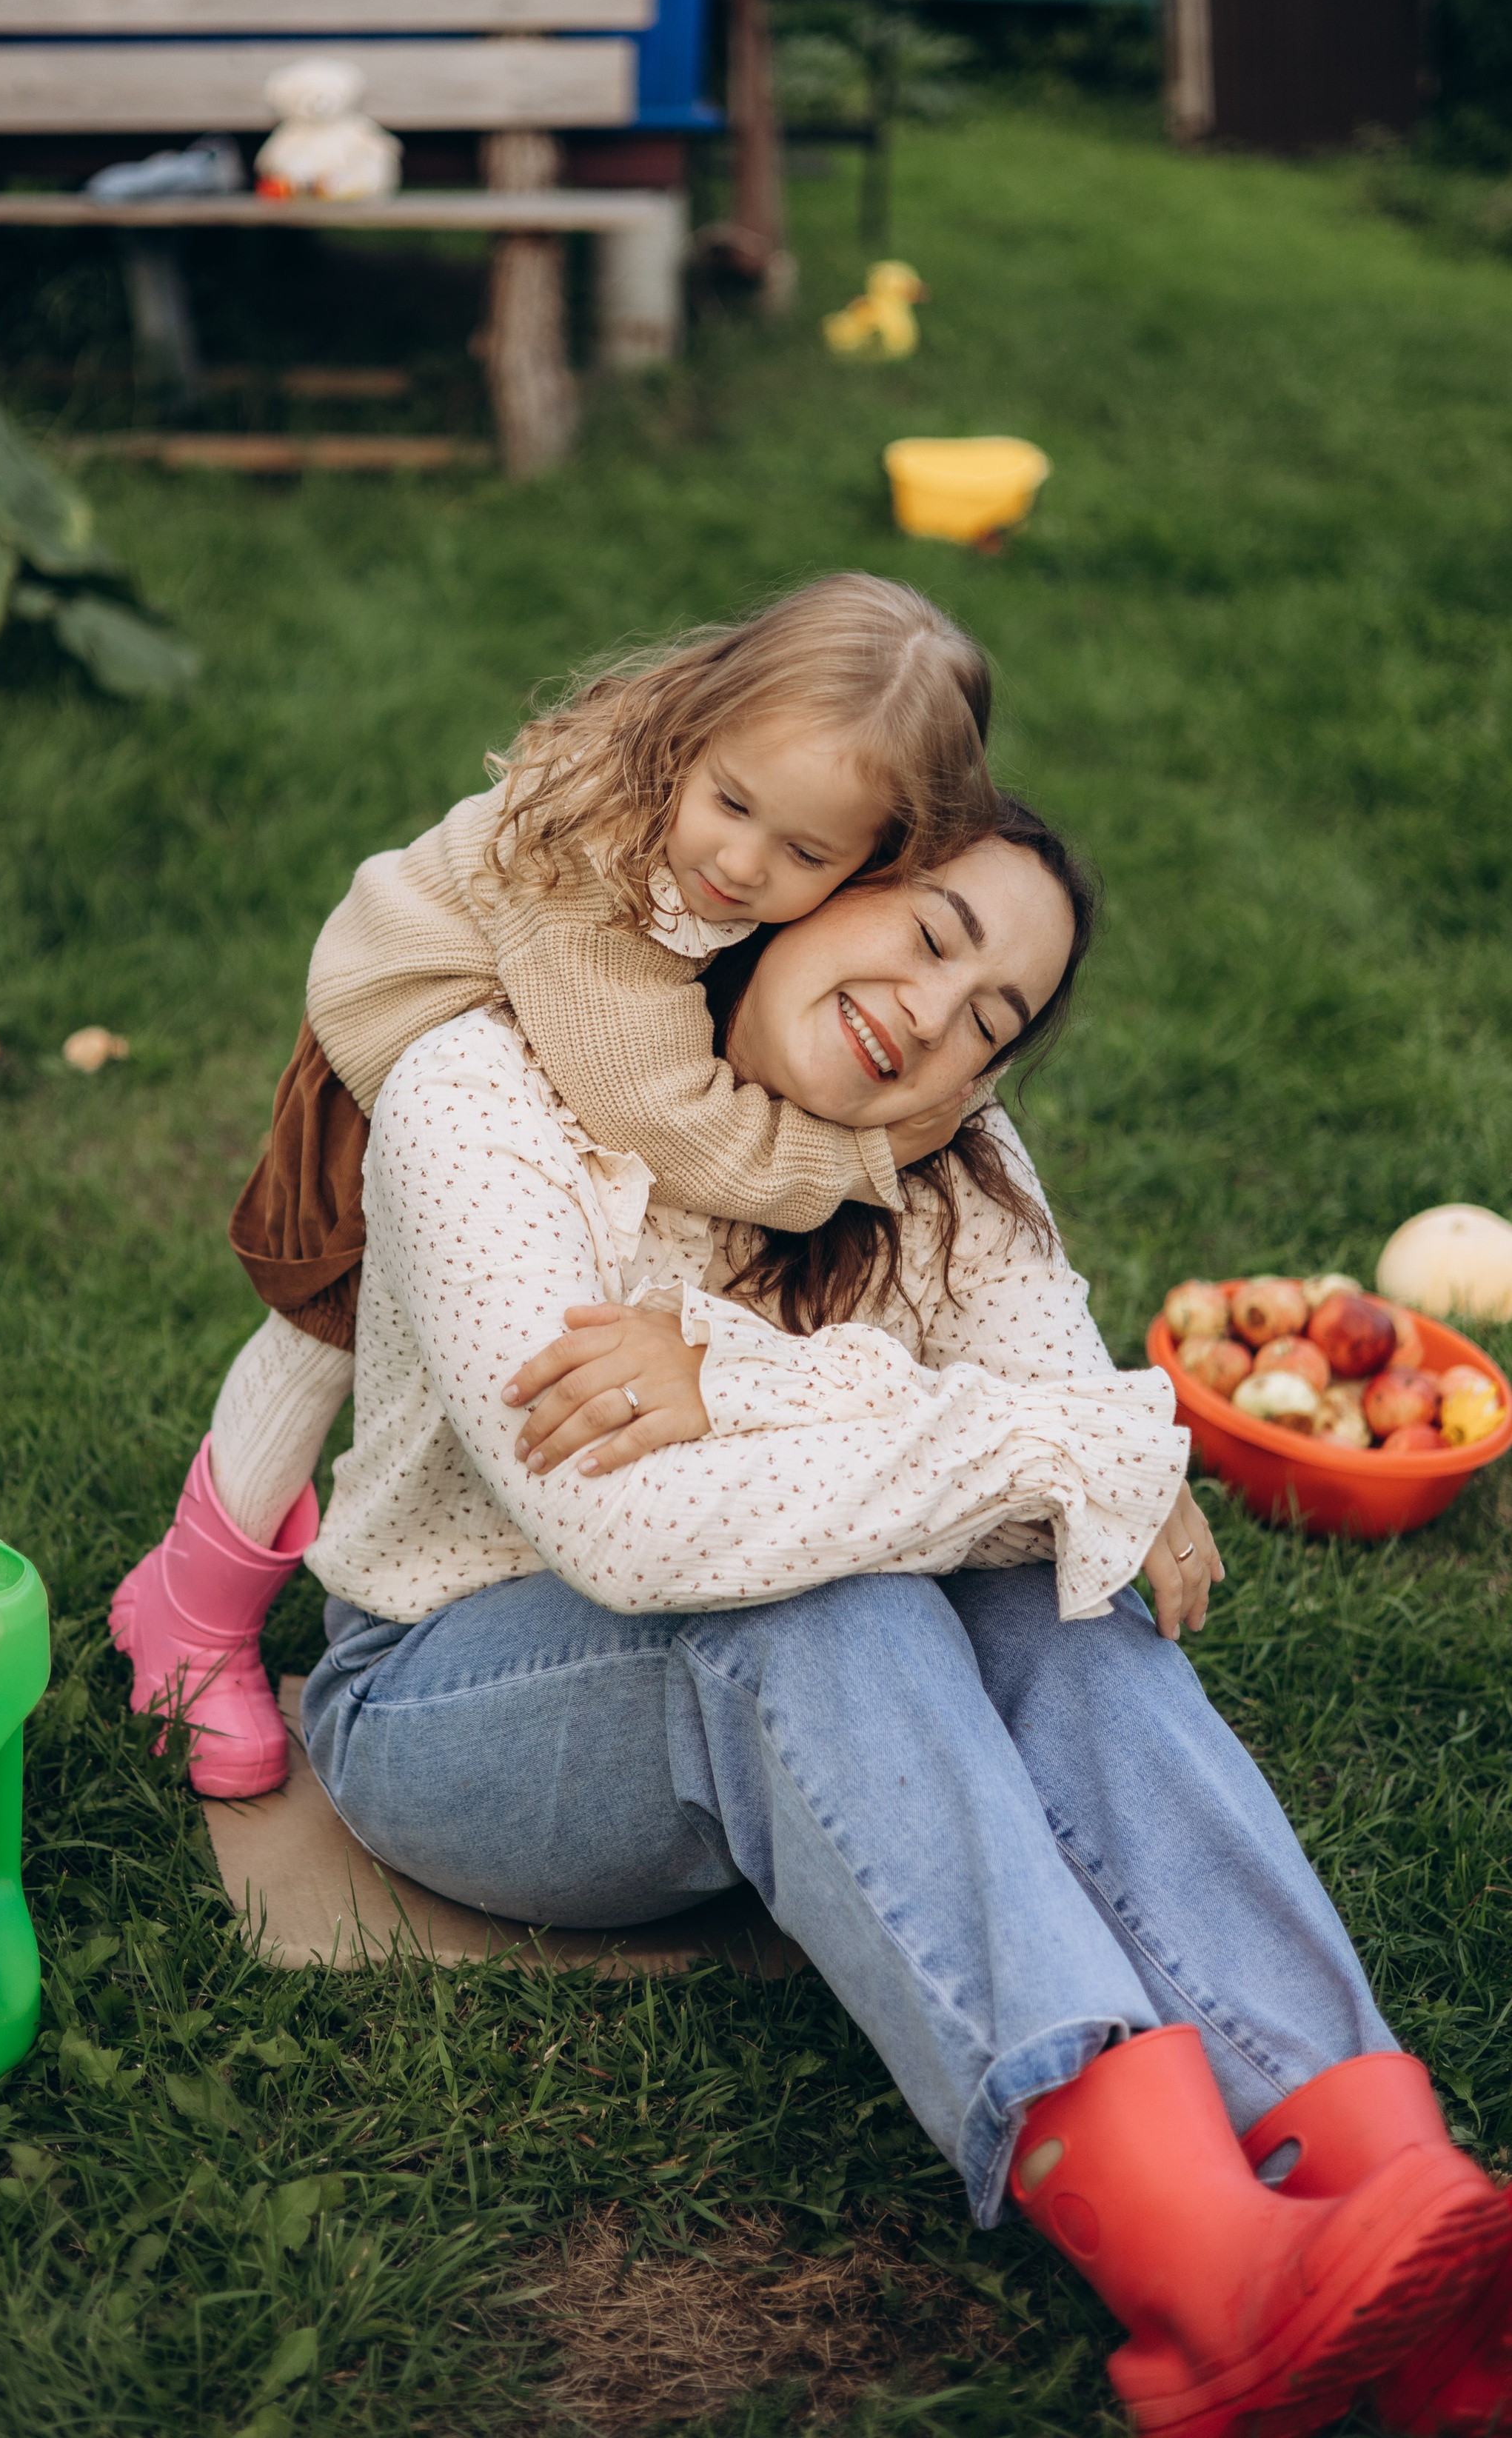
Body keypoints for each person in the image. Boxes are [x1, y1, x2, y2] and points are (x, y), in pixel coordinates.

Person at [291, 808, 1509, 2438]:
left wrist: (747, 1384)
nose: (933, 1014)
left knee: (1047, 1596)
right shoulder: (486, 1089)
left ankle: (1372, 2173)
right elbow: (633, 1533)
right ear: (805, 892)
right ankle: (1203, 2277)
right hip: (447, 1694)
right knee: (824, 1601)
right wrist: (1032, 1449)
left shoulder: (950, 1168)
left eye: (990, 1016)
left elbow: (1101, 1489)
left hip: (761, 1620)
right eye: (928, 933)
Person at [113, 574, 1001, 1791]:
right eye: (731, 803)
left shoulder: (716, 842)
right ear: (694, 731)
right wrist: (854, 1156)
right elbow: (670, 1124)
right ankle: (187, 1610)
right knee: (325, 1322)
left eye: (804, 852)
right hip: (397, 1042)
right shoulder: (599, 865)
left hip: (530, 1043)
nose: (740, 864)